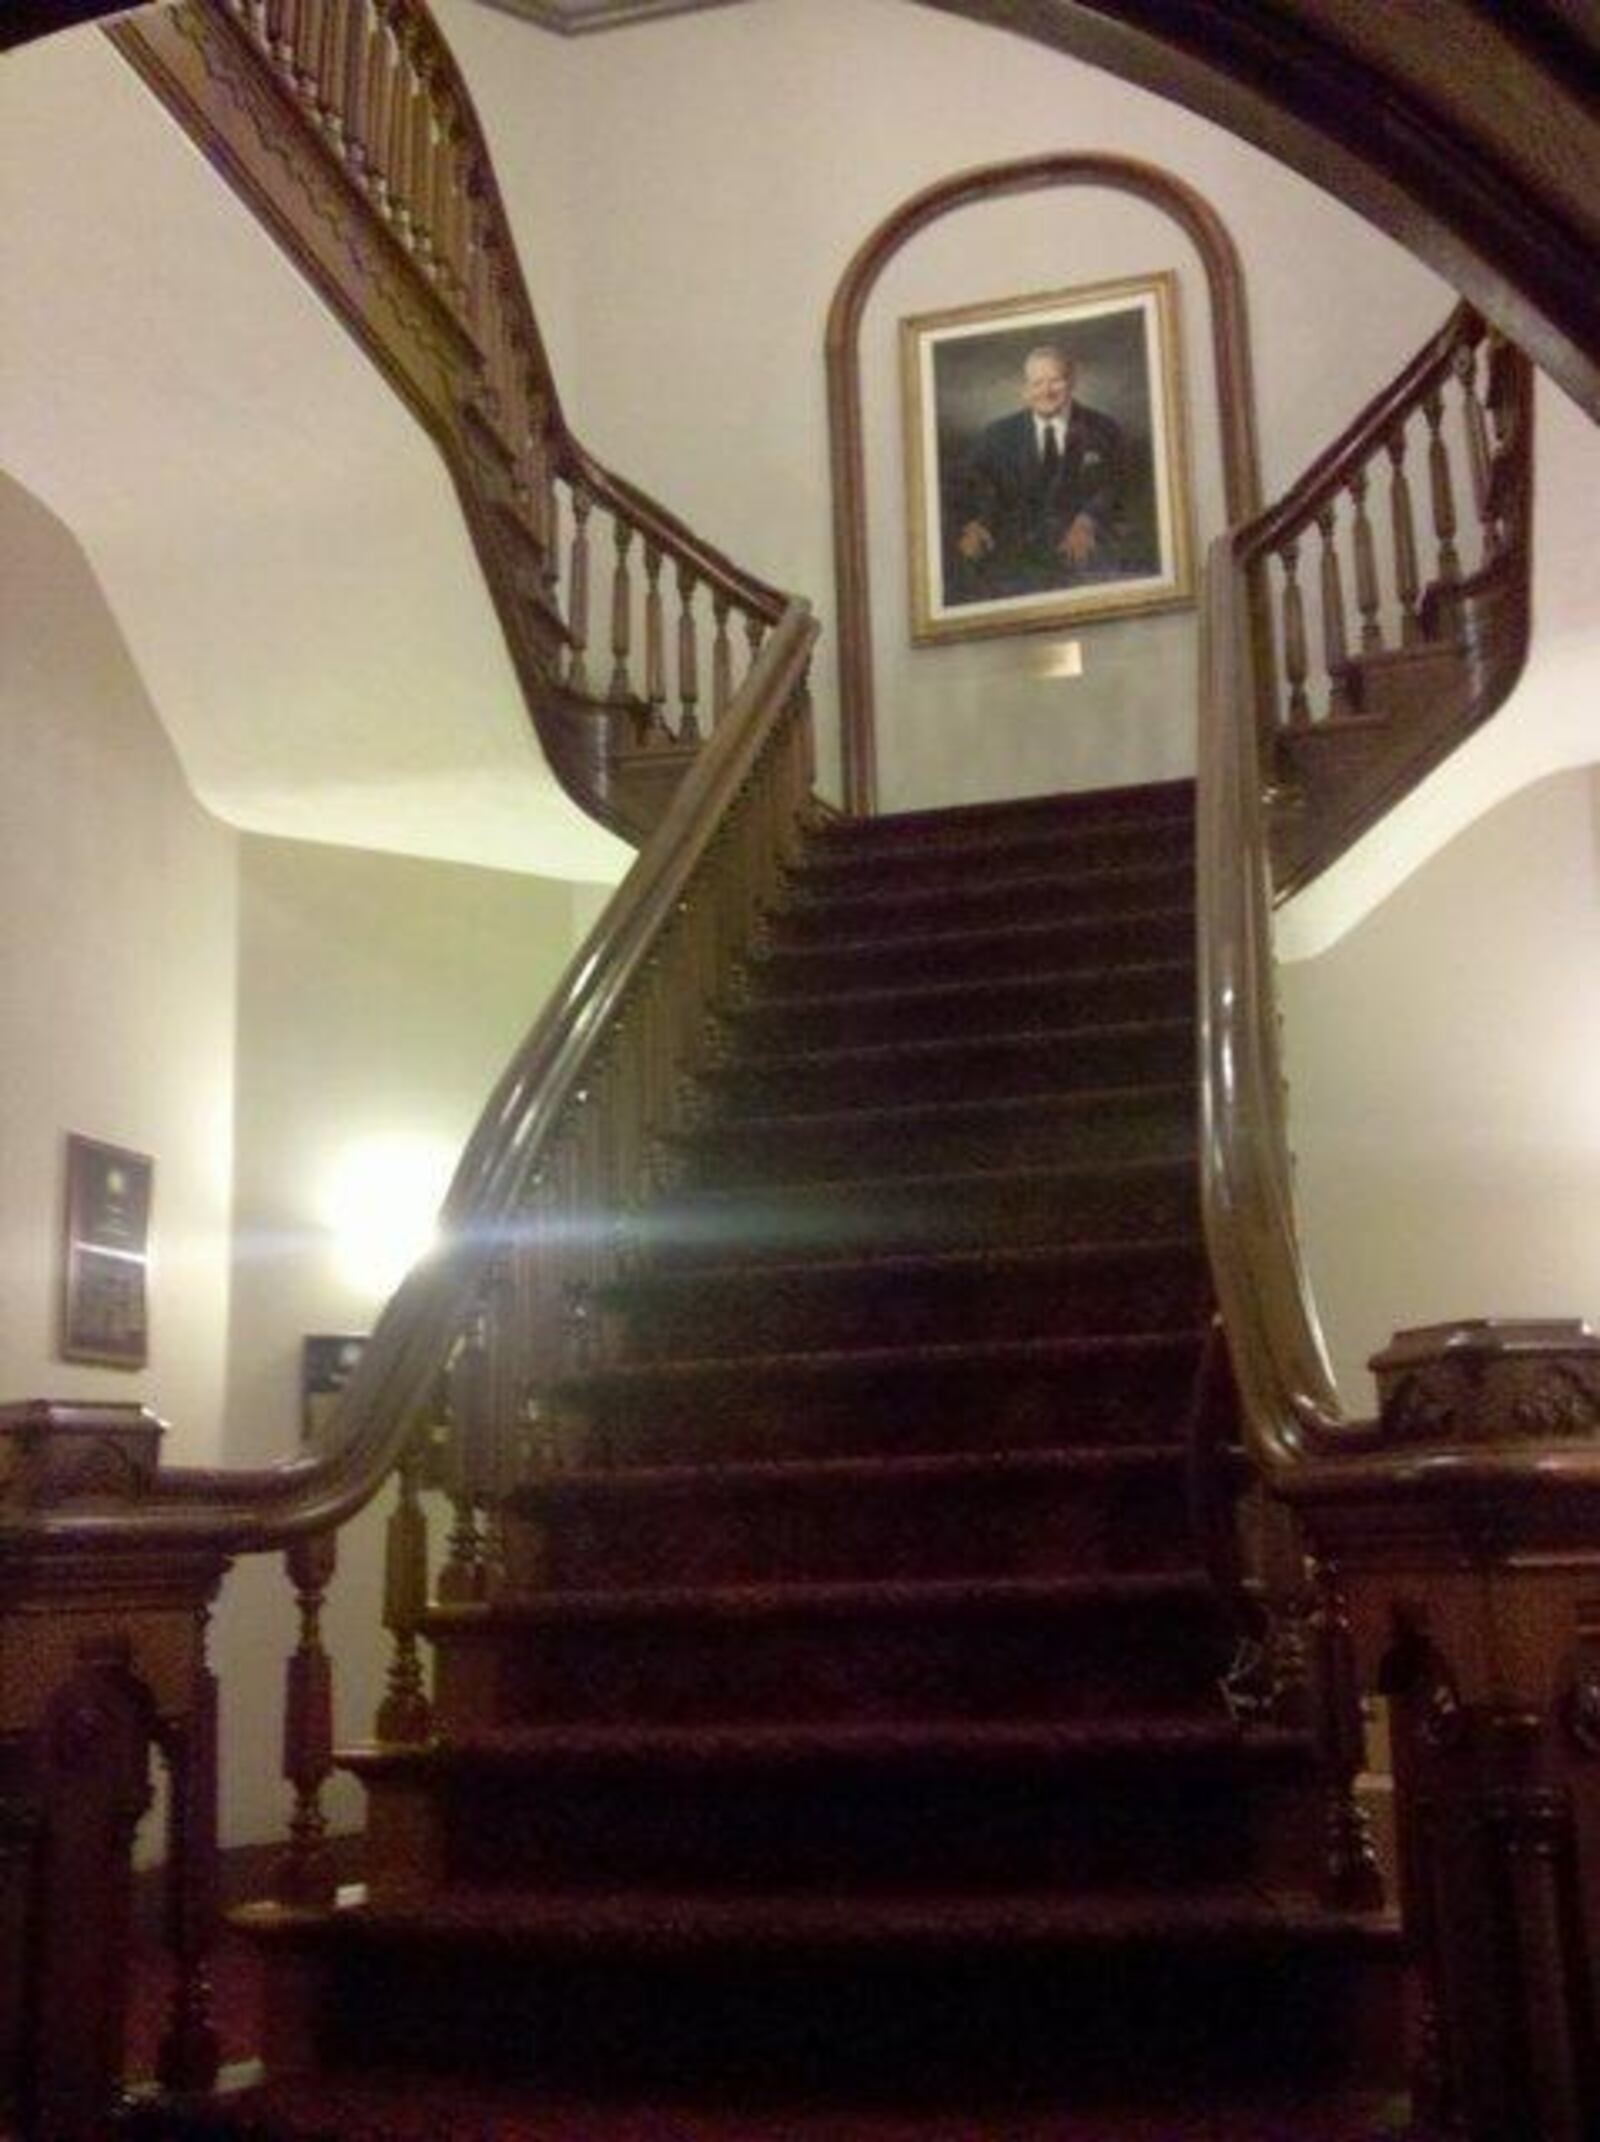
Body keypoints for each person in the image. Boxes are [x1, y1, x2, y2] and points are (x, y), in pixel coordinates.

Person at [949, 343, 1126, 598]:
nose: (1047, 391)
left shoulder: (1104, 428)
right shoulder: (997, 434)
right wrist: (976, 524)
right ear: (1024, 389)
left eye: (1055, 381)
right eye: (1037, 383)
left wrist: (1089, 520)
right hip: (1010, 551)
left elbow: (1118, 482)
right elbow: (966, 484)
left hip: (1083, 550)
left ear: (1072, 381)